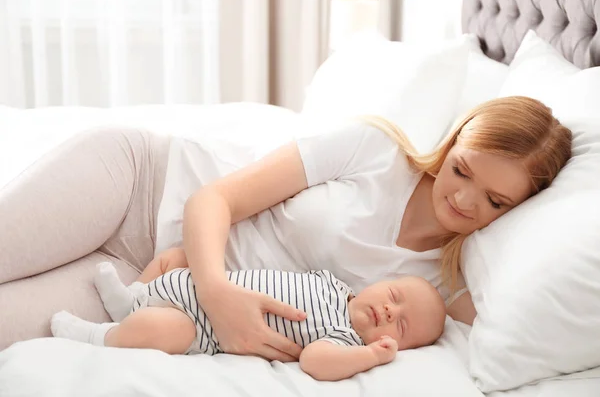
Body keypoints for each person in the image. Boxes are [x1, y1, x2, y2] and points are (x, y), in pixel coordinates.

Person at [0, 96, 572, 358]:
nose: (464, 200)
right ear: (452, 141)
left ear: (518, 210)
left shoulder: (444, 285)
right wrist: (216, 289)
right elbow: (213, 197)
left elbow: (544, 312)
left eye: (495, 201)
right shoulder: (374, 150)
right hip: (140, 184)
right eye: (462, 169)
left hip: (150, 291)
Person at [50, 257, 446, 381]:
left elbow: (315, 362)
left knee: (161, 330)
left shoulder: (342, 337)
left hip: (201, 326)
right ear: (380, 283)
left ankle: (98, 335)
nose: (392, 311)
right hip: (202, 286)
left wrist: (372, 357)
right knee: (169, 268)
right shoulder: (334, 284)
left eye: (401, 326)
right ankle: (130, 301)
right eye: (395, 297)